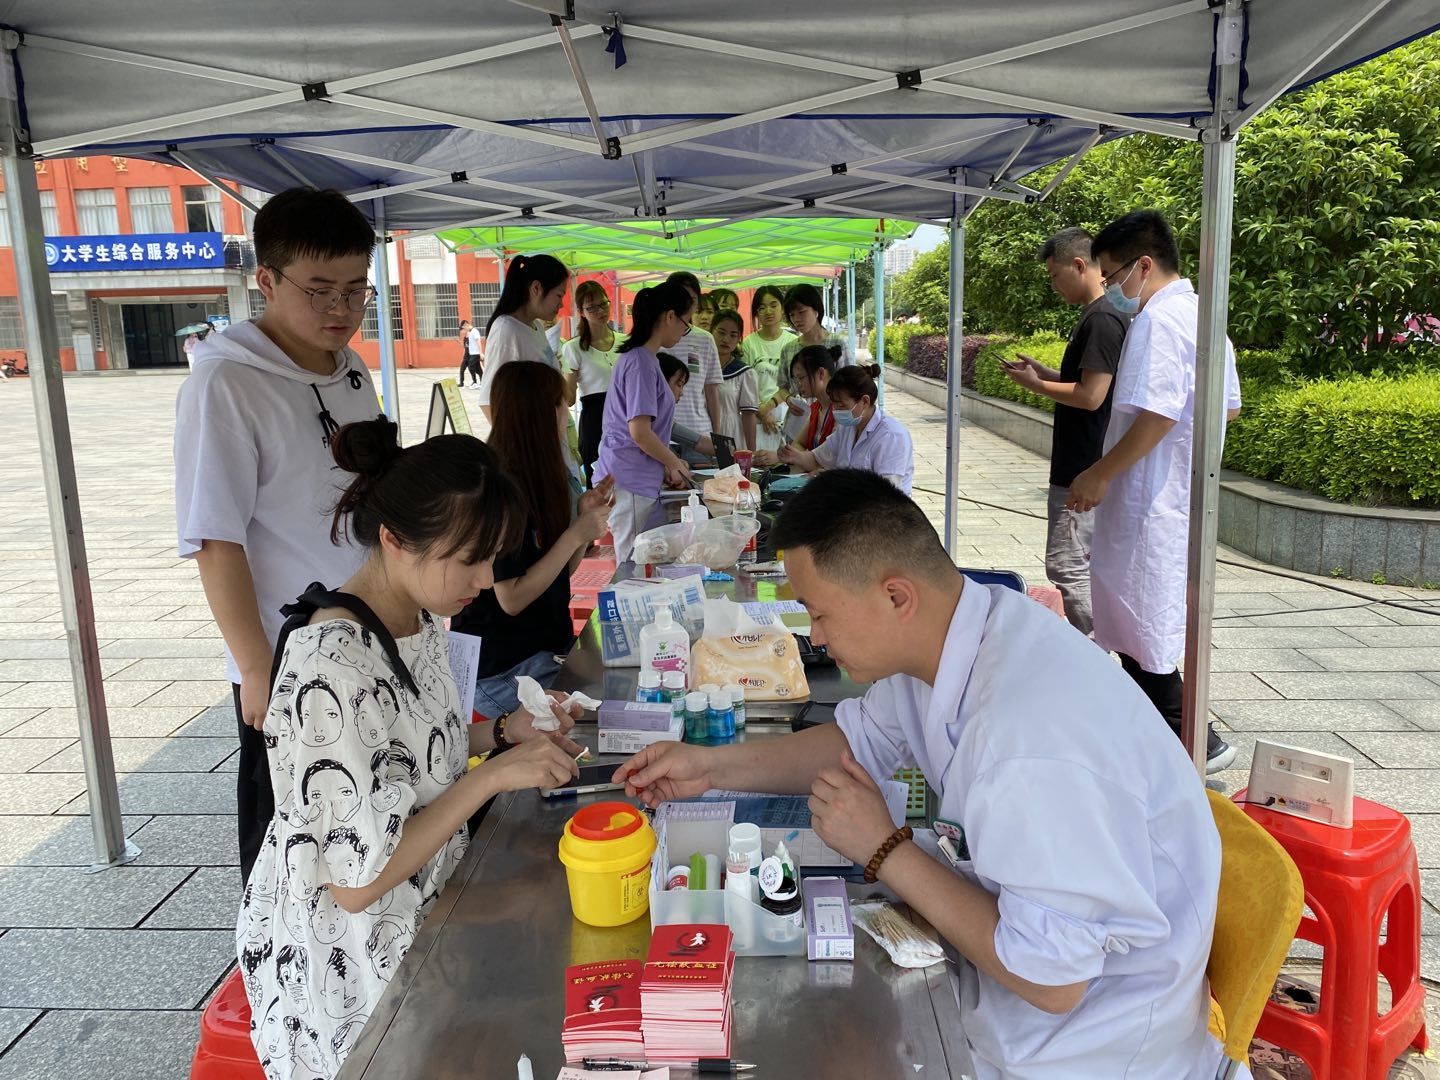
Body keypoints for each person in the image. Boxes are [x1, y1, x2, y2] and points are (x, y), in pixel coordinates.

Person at [613, 470, 1234, 1080]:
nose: (816, 637)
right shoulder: (961, 633)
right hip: (1004, 986)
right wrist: (709, 767)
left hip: (1079, 1049)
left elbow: (1053, 980)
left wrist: (884, 848)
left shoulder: (1028, 741)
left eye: (819, 614)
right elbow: (854, 743)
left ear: (896, 596)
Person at [238, 418, 583, 1080]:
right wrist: (492, 778)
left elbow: (414, 755)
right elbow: (357, 883)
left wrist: (503, 734)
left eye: (493, 556)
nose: (485, 578)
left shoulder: (415, 615)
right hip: (353, 967)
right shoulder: (330, 666)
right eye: (469, 559)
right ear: (395, 540)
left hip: (421, 918)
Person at [175, 187, 387, 887]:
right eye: (319, 289)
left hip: (367, 636)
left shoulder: (350, 369)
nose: (340, 309)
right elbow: (215, 539)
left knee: (371, 830)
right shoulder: (226, 384)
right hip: (290, 658)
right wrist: (256, 668)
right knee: (292, 853)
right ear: (265, 279)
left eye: (356, 290)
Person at [1069, 210, 1242, 773]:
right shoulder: (1203, 317)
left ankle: (1191, 742)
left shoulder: (1159, 321)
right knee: (1146, 624)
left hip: (1146, 502)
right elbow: (1227, 407)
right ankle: (1163, 739)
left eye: (1114, 275)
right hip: (1171, 496)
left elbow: (1159, 414)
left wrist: (1101, 473)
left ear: (1143, 265)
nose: (1113, 288)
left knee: (1141, 628)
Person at [452, 363, 614, 717]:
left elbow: (557, 575)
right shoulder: (498, 488)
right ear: (543, 412)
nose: (566, 414)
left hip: (543, 650)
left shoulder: (540, 475)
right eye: (561, 404)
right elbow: (511, 598)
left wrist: (580, 525)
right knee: (604, 712)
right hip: (501, 670)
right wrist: (575, 533)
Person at [1002, 228, 1129, 637]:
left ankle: (1097, 650)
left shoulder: (1103, 318)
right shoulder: (1097, 315)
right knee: (1075, 566)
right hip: (1080, 463)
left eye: (1055, 275)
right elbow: (1087, 384)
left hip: (1083, 466)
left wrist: (1036, 385)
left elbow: (1092, 396)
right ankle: (1099, 649)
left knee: (1068, 567)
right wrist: (1044, 374)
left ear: (1078, 265)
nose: (1054, 285)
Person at [594, 283, 695, 563]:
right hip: (629, 479)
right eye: (686, 323)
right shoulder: (640, 362)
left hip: (635, 478)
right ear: (670, 316)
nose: (684, 331)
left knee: (645, 561)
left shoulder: (643, 359)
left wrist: (667, 464)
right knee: (632, 565)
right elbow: (639, 432)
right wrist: (673, 463)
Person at [779, 363, 913, 494]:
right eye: (834, 405)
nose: (836, 411)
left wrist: (835, 480)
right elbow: (817, 459)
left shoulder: (891, 436)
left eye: (841, 406)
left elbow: (886, 493)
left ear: (865, 401)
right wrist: (795, 456)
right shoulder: (847, 429)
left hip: (881, 507)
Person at [476, 254, 571, 425]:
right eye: (559, 295)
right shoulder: (506, 329)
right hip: (533, 440)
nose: (561, 304)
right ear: (536, 288)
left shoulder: (537, 327)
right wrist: (520, 441)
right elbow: (488, 401)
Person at [780, 283, 852, 442]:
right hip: (798, 421)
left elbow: (850, 386)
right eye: (792, 315)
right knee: (794, 452)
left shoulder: (838, 343)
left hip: (829, 422)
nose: (796, 319)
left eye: (801, 312)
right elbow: (782, 386)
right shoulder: (788, 349)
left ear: (816, 309)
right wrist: (789, 400)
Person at [562, 281, 618, 486]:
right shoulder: (574, 348)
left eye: (603, 304)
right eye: (592, 307)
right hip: (595, 422)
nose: (600, 311)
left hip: (624, 419)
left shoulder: (626, 342)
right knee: (598, 486)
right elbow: (569, 399)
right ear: (581, 312)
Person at [662, 272, 722, 454]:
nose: (686, 304)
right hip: (662, 436)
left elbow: (711, 391)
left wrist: (718, 437)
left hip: (700, 433)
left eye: (692, 299)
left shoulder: (705, 339)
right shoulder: (655, 339)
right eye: (680, 297)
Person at [754, 342, 841, 467]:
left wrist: (782, 457)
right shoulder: (817, 408)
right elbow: (798, 444)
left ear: (821, 373)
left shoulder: (841, 410)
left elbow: (830, 460)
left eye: (801, 378)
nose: (798, 384)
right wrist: (787, 456)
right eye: (795, 380)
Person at [743, 285, 795, 452]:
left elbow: (793, 383)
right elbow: (746, 384)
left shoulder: (792, 342)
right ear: (756, 313)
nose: (768, 311)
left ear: (782, 308)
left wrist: (769, 407)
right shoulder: (749, 343)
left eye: (773, 305)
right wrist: (762, 411)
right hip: (756, 416)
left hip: (787, 416)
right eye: (762, 307)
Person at [657, 352, 718, 463]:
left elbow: (698, 441)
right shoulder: (645, 420)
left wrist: (739, 453)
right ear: (661, 382)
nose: (682, 393)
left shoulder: (663, 418)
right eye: (679, 384)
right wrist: (674, 463)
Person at [711, 310, 758, 450]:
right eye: (721, 332)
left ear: (739, 339)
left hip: (730, 432)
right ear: (710, 332)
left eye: (733, 335)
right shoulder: (700, 368)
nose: (726, 339)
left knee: (727, 464)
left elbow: (748, 416)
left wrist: (751, 452)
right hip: (701, 428)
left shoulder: (745, 373)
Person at [456, 320, 482, 387]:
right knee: (463, 369)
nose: (462, 332)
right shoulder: (467, 335)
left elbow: (478, 342)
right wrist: (460, 343)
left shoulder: (473, 332)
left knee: (474, 368)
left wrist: (481, 353)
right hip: (468, 355)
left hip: (473, 354)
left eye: (463, 329)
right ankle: (462, 383)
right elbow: (466, 346)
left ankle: (476, 382)